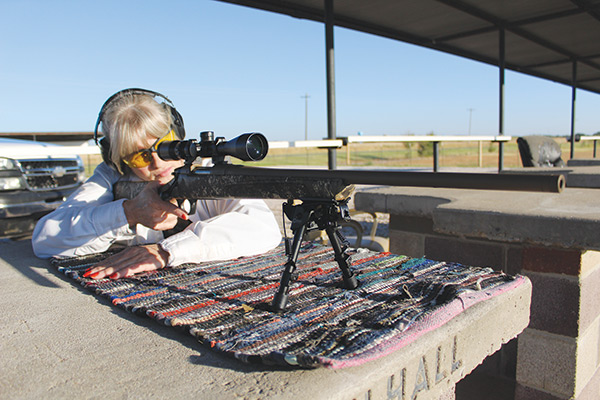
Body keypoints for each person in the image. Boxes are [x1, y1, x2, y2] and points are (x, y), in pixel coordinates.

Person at [32, 88, 282, 279]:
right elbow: (45, 239)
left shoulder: (206, 169)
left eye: (165, 145)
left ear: (178, 135)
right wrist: (128, 212)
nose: (157, 161)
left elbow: (262, 228)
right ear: (119, 159)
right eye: (139, 155)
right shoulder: (112, 176)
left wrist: (168, 250)